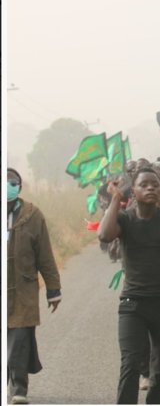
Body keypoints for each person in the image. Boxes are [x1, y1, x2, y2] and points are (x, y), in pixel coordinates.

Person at [98, 167, 160, 404]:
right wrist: (115, 199)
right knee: (131, 364)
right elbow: (104, 234)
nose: (151, 188)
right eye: (144, 184)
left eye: (155, 184)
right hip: (132, 304)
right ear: (133, 191)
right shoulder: (125, 219)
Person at [7, 168, 62, 405]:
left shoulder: (32, 215)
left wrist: (53, 290)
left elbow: (45, 256)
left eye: (13, 182)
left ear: (19, 186)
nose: (8, 185)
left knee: (20, 339)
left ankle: (19, 388)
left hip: (23, 291)